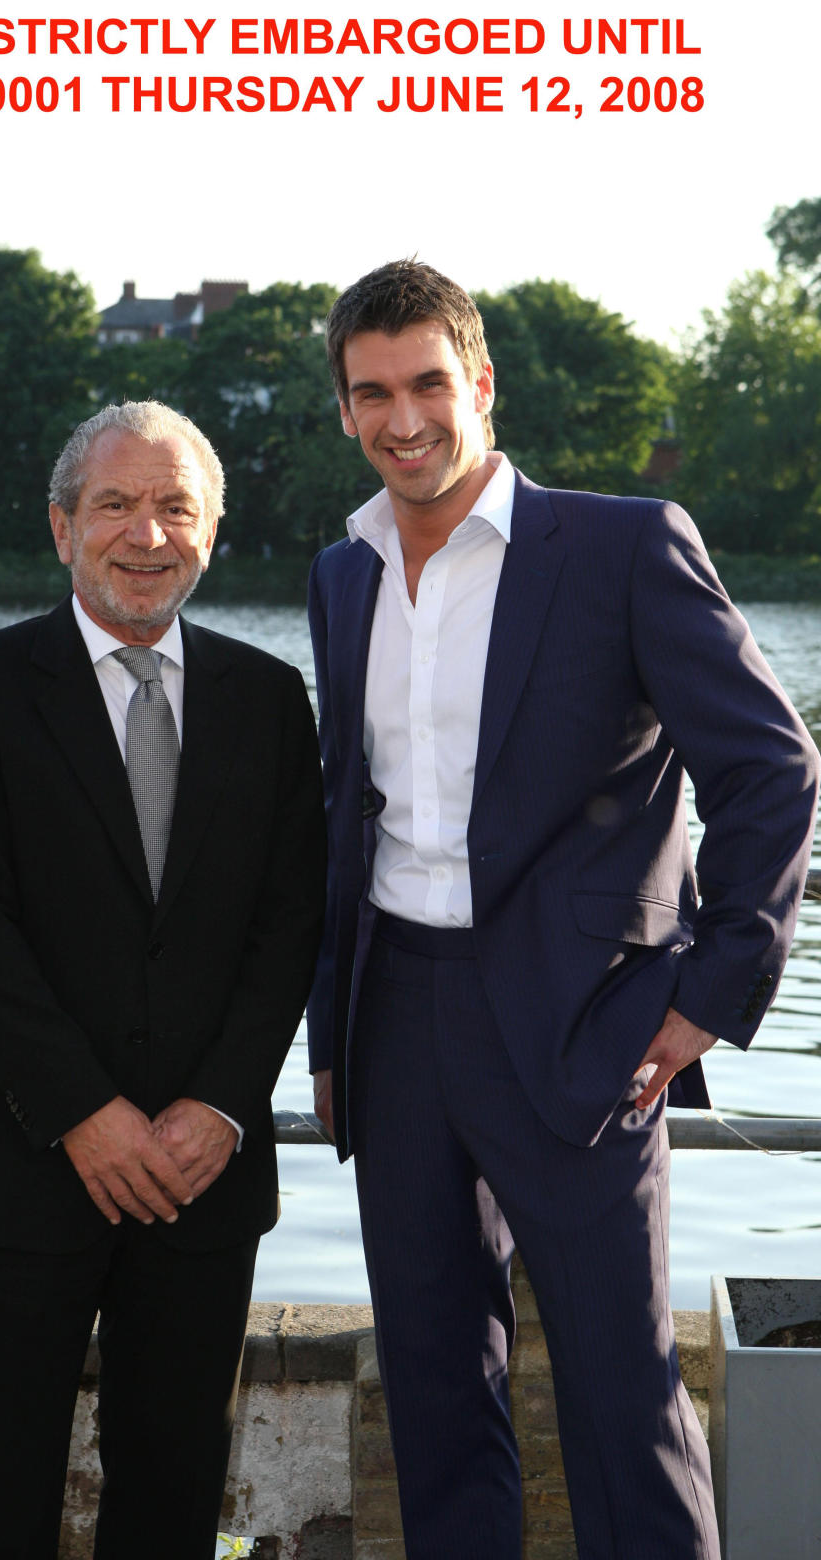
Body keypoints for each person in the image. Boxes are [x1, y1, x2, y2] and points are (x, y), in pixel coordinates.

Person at [306, 260, 820, 1558]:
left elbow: (772, 769)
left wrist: (708, 993)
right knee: (431, 1383)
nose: (404, 417)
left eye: (428, 381)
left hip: (590, 1022)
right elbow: (342, 818)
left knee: (618, 1388)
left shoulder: (624, 545)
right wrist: (331, 1033)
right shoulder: (342, 575)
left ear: (480, 382)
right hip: (398, 1022)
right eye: (373, 393)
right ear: (348, 409)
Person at [0, 400, 325, 1559]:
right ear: (62, 528)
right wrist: (85, 1118)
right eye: (116, 505)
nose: (147, 533)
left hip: (207, 1173)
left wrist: (225, 1105)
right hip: (31, 1160)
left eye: (175, 506)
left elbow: (290, 927)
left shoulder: (269, 698)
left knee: (174, 1493)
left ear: (211, 529)